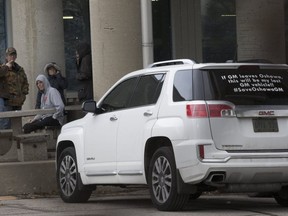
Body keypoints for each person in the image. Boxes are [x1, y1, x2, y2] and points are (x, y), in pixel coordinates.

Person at [0, 47, 29, 129]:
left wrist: (23, 95)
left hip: (18, 102)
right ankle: (5, 142)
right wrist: (6, 67)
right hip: (7, 102)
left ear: (16, 56)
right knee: (5, 125)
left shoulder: (20, 70)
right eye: (10, 55)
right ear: (6, 57)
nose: (12, 57)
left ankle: (17, 142)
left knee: (17, 127)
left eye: (13, 55)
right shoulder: (2, 68)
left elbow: (25, 83)